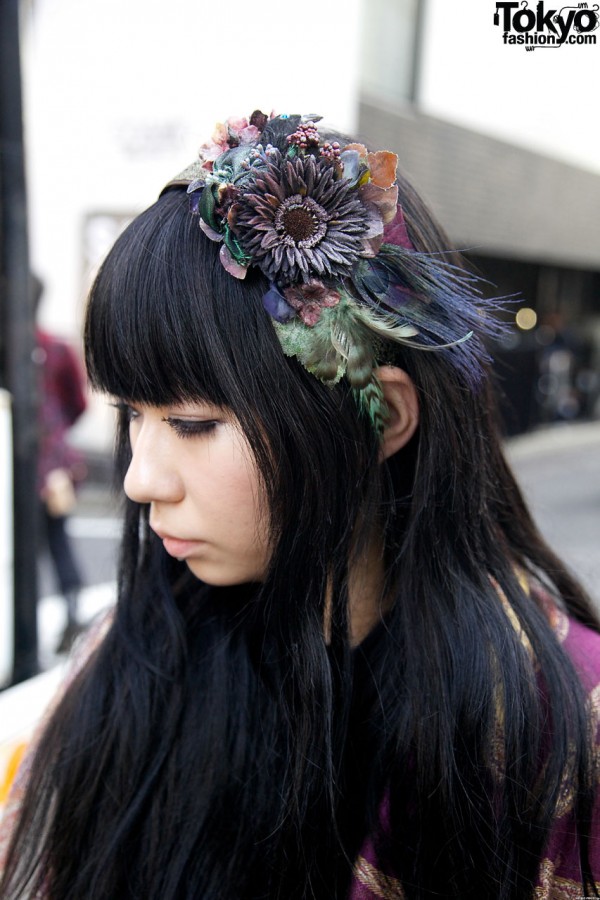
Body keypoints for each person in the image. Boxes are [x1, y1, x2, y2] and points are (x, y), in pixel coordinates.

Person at [1, 111, 599, 899]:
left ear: (381, 414)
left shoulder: (558, 724)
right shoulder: (133, 651)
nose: (141, 479)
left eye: (190, 424)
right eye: (131, 417)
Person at [32, 276, 88, 653]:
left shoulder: (40, 348)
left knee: (38, 544)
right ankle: (69, 616)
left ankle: (64, 618)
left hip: (41, 467)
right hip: (55, 465)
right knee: (57, 541)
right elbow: (77, 403)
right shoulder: (54, 348)